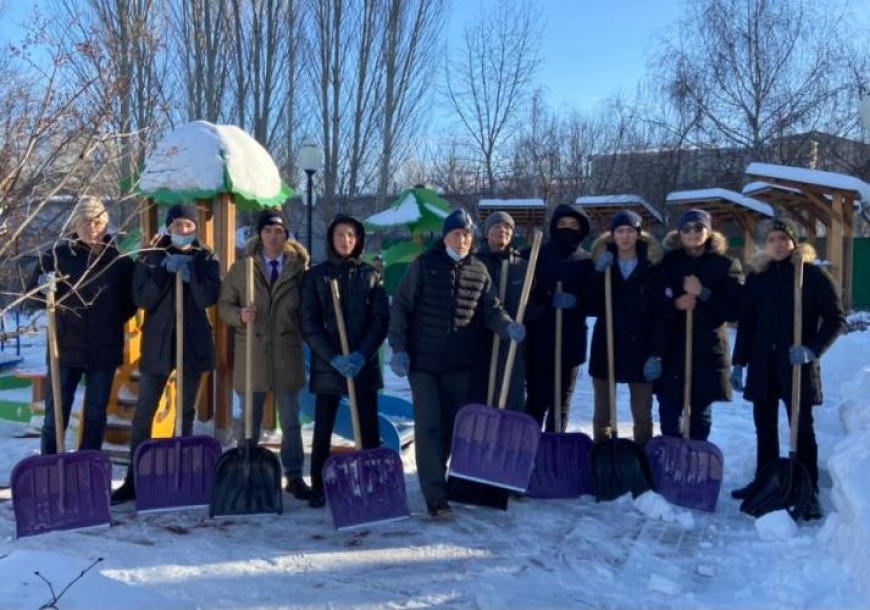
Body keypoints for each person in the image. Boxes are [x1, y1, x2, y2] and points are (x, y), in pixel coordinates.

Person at [388, 209, 525, 518]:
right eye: (456, 234)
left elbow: (491, 309)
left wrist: (507, 326)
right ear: (445, 236)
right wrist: (398, 348)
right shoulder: (424, 266)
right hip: (424, 363)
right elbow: (401, 307)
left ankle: (438, 476)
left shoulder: (479, 270)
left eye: (466, 235)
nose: (462, 239)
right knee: (429, 426)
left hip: (460, 365)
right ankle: (435, 497)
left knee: (452, 428)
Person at [730, 219, 845, 520]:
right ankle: (764, 481)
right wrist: (738, 362)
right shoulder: (757, 277)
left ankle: (809, 489)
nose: (778, 244)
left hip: (797, 366)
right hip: (762, 364)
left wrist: (811, 349)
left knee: (802, 429)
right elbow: (747, 323)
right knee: (764, 427)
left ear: (794, 242)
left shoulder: (813, 276)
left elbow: (836, 319)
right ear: (765, 245)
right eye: (772, 239)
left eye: (783, 238)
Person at [111, 204, 221, 504]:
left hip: (192, 345)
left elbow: (208, 297)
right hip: (158, 347)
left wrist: (192, 276)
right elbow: (142, 298)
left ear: (194, 227)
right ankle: (134, 480)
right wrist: (163, 272)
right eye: (177, 225)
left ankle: (182, 475)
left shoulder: (206, 257)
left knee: (185, 414)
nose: (183, 231)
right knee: (143, 413)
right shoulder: (149, 257)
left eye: (188, 225)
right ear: (168, 226)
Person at [27, 196, 137, 455]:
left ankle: (87, 467)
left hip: (104, 351)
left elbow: (129, 305)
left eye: (98, 221)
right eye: (85, 221)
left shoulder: (119, 262)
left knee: (96, 414)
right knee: (56, 416)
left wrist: (107, 322)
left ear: (106, 224)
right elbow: (31, 296)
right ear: (75, 225)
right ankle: (51, 467)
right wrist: (44, 288)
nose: (92, 226)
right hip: (65, 350)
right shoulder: (56, 257)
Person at [218, 209, 311, 501]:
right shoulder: (243, 268)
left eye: (279, 231)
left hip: (286, 353)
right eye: (268, 230)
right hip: (252, 353)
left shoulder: (299, 270)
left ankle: (294, 475)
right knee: (249, 419)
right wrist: (238, 314)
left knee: (291, 421)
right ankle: (248, 472)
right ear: (259, 234)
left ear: (287, 235)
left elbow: (309, 309)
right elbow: (223, 305)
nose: (273, 236)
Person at [300, 214, 389, 508]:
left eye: (351, 235)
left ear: (358, 239)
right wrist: (332, 357)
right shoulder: (316, 276)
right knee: (323, 426)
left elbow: (380, 320)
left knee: (368, 426)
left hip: (362, 362)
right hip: (330, 363)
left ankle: (372, 480)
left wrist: (362, 354)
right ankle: (318, 486)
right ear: (331, 239)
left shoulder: (371, 275)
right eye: (340, 235)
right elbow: (308, 322)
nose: (346, 240)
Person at [646, 209, 743, 442]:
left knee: (700, 415)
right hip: (671, 350)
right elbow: (653, 300)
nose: (693, 233)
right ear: (679, 233)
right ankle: (673, 460)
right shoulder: (668, 263)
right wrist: (675, 302)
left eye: (698, 228)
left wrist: (704, 293)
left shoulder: (725, 264)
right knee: (669, 412)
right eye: (687, 228)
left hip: (706, 351)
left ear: (709, 232)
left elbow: (735, 309)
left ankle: (696, 462)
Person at [587, 210, 662, 447]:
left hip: (641, 347)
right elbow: (591, 305)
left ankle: (641, 456)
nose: (626, 236)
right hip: (607, 345)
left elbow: (661, 311)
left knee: (642, 413)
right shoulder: (603, 264)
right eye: (620, 231)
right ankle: (604, 453)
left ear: (638, 235)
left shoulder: (652, 267)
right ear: (613, 235)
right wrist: (598, 274)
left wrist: (656, 353)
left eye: (631, 231)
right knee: (603, 413)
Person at [524, 203, 593, 432]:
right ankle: (529, 450)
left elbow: (597, 301)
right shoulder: (536, 255)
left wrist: (579, 303)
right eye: (563, 224)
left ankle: (554, 453)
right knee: (536, 402)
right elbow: (521, 290)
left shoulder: (587, 261)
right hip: (539, 342)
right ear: (554, 226)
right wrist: (537, 305)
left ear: (582, 229)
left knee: (561, 405)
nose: (568, 228)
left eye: (573, 225)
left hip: (570, 344)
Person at [474, 211, 529, 411]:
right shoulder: (474, 263)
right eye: (496, 226)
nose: (502, 231)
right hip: (479, 341)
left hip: (511, 344)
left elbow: (532, 303)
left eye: (507, 227)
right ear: (486, 233)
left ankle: (510, 441)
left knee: (511, 397)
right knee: (480, 397)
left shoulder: (523, 266)